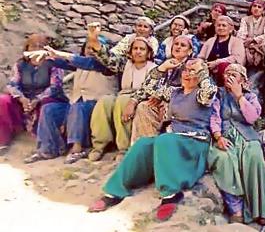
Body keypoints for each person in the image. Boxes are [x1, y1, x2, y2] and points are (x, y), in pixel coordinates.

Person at [88, 59, 216, 221]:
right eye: (185, 70)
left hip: (194, 144)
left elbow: (209, 91)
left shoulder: (202, 94)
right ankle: (114, 191)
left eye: (193, 71)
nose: (188, 74)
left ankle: (171, 194)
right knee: (143, 144)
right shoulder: (174, 92)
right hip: (173, 141)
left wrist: (201, 70)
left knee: (164, 140)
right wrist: (162, 68)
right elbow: (149, 88)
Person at [24, 30, 118, 164]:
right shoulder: (79, 66)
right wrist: (47, 56)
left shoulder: (106, 66)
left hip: (96, 107)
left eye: (94, 48)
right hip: (75, 105)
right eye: (88, 48)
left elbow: (84, 62)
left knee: (78, 107)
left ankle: (77, 148)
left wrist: (59, 54)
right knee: (49, 109)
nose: (91, 51)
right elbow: (63, 62)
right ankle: (48, 149)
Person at [207, 63, 265, 224]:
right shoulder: (218, 95)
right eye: (227, 74)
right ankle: (236, 209)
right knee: (224, 160)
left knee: (254, 158)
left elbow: (252, 118)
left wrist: (239, 96)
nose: (230, 77)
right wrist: (218, 136)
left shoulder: (250, 96)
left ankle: (261, 209)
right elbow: (214, 118)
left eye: (234, 75)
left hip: (247, 137)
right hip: (225, 136)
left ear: (242, 79)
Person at [86, 36, 157, 161]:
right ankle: (99, 145)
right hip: (123, 93)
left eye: (142, 49)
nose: (138, 51)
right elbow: (108, 58)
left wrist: (133, 100)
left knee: (123, 102)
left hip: (141, 97)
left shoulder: (154, 67)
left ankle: (124, 148)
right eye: (135, 48)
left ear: (148, 52)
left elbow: (150, 90)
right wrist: (94, 40)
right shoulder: (125, 64)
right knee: (105, 101)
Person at [0, 34, 67, 152]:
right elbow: (12, 84)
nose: (36, 49)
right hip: (24, 100)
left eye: (40, 46)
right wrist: (22, 99)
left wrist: (37, 99)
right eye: (33, 46)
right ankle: (3, 140)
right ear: (27, 48)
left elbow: (55, 87)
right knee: (3, 100)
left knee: (47, 104)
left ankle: (44, 141)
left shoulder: (54, 64)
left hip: (45, 98)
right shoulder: (20, 64)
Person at [125, 35, 195, 143]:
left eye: (183, 45)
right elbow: (148, 86)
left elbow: (187, 90)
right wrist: (133, 101)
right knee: (144, 107)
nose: (178, 47)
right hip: (162, 103)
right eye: (176, 44)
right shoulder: (166, 64)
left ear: (189, 51)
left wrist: (161, 96)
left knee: (166, 109)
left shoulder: (192, 66)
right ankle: (146, 147)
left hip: (182, 105)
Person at [237, 0, 265, 68]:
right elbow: (241, 34)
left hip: (261, 45)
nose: (256, 8)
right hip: (248, 45)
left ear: (263, 11)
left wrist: (254, 39)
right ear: (251, 9)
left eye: (259, 7)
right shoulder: (245, 19)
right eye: (254, 6)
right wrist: (244, 42)